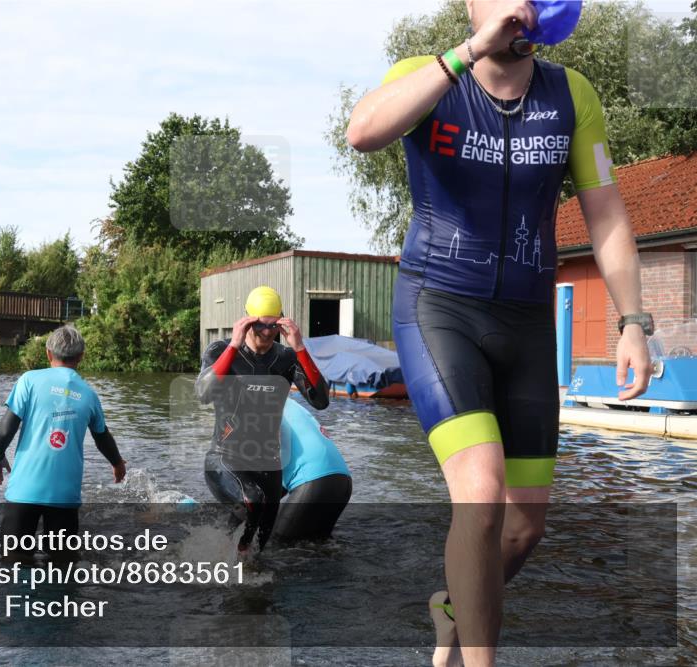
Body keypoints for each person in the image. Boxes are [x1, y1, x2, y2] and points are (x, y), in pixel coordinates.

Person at [345, 2, 652, 665]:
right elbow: (361, 131)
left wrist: (632, 321)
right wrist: (463, 54)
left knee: (522, 528)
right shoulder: (427, 75)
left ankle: (451, 607)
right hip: (440, 307)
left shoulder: (571, 95)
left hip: (527, 324)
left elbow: (606, 217)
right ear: (471, 6)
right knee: (480, 491)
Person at [195, 286, 329, 555]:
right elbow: (203, 393)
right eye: (260, 325)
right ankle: (227, 570)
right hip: (225, 458)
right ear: (247, 321)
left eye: (273, 325)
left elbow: (320, 400)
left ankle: (241, 569)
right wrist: (234, 345)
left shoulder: (285, 358)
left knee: (260, 548)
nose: (267, 332)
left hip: (269, 465)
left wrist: (300, 347)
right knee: (252, 502)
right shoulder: (220, 350)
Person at [0, 325, 126, 561]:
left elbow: (6, 428)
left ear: (48, 353)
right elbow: (102, 436)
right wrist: (117, 463)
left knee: (12, 564)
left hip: (24, 491)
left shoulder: (29, 381)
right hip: (65, 495)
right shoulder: (89, 394)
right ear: (81, 357)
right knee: (63, 567)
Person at [272, 400, 352, 542]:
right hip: (341, 480)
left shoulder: (258, 403)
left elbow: (277, 458)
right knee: (316, 546)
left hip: (314, 481)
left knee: (279, 545)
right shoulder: (284, 399)